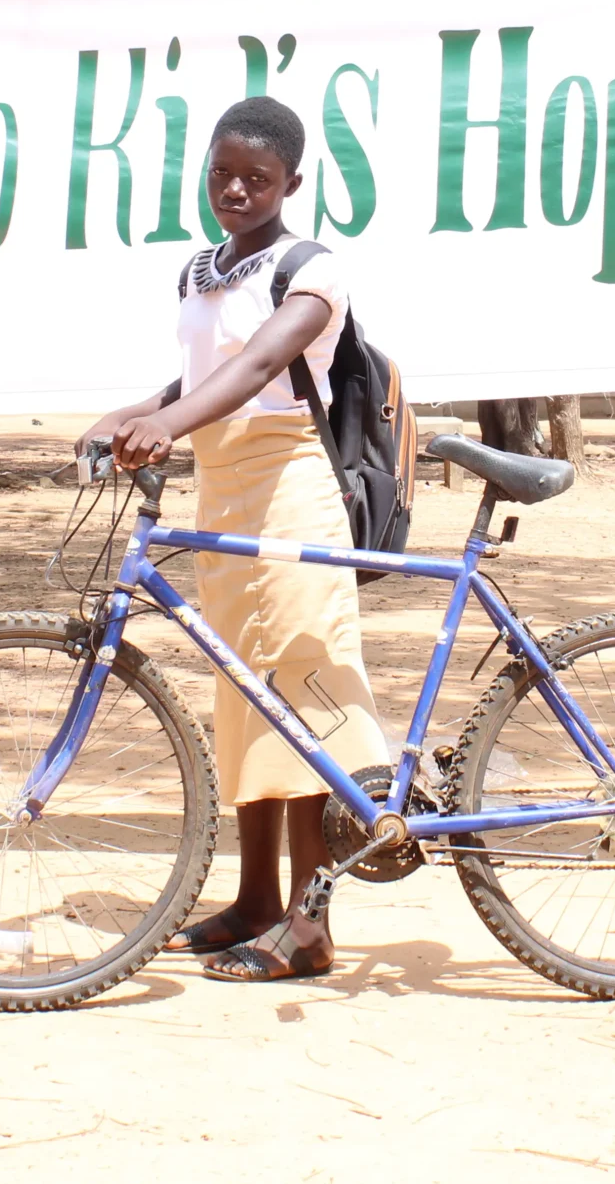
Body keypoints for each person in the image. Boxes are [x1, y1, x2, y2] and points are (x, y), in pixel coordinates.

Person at [80, 97, 391, 983]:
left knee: (300, 701)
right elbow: (200, 375)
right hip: (223, 493)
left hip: (291, 492)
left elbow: (257, 366)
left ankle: (309, 922)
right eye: (222, 173)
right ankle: (256, 900)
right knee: (244, 697)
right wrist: (128, 414)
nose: (236, 190)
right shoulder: (200, 269)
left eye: (257, 177)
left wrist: (166, 425)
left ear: (292, 182)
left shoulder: (312, 269)